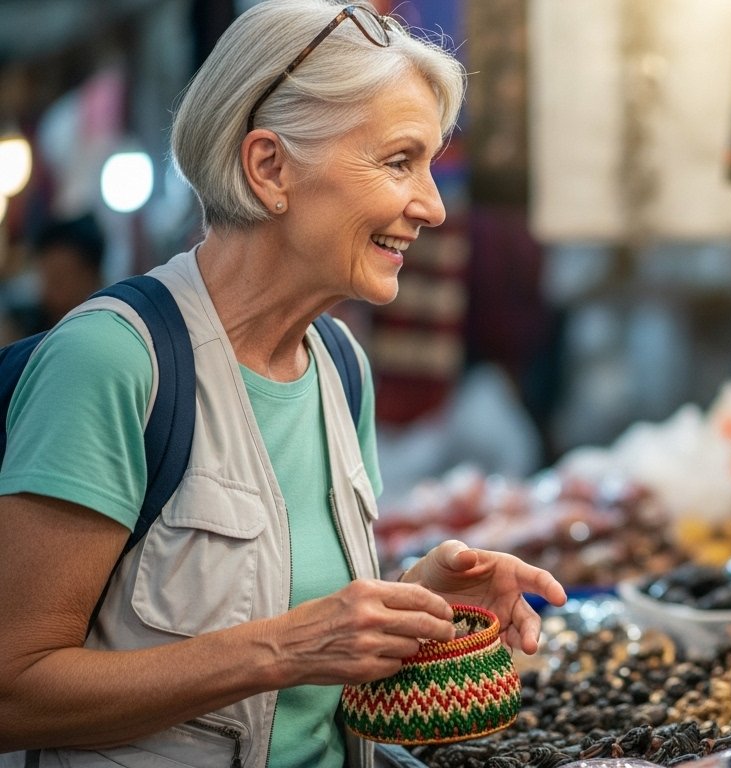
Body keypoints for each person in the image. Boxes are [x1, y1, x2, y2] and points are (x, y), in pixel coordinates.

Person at [0, 2, 566, 766]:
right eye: (400, 161)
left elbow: (298, 661)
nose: (432, 205)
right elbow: (15, 690)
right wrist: (285, 649)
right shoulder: (111, 364)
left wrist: (414, 605)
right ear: (270, 168)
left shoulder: (339, 365)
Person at [0, 213, 106, 343]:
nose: (51, 286)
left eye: (62, 276)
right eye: (46, 275)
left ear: (91, 275)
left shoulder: (103, 329)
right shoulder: (23, 324)